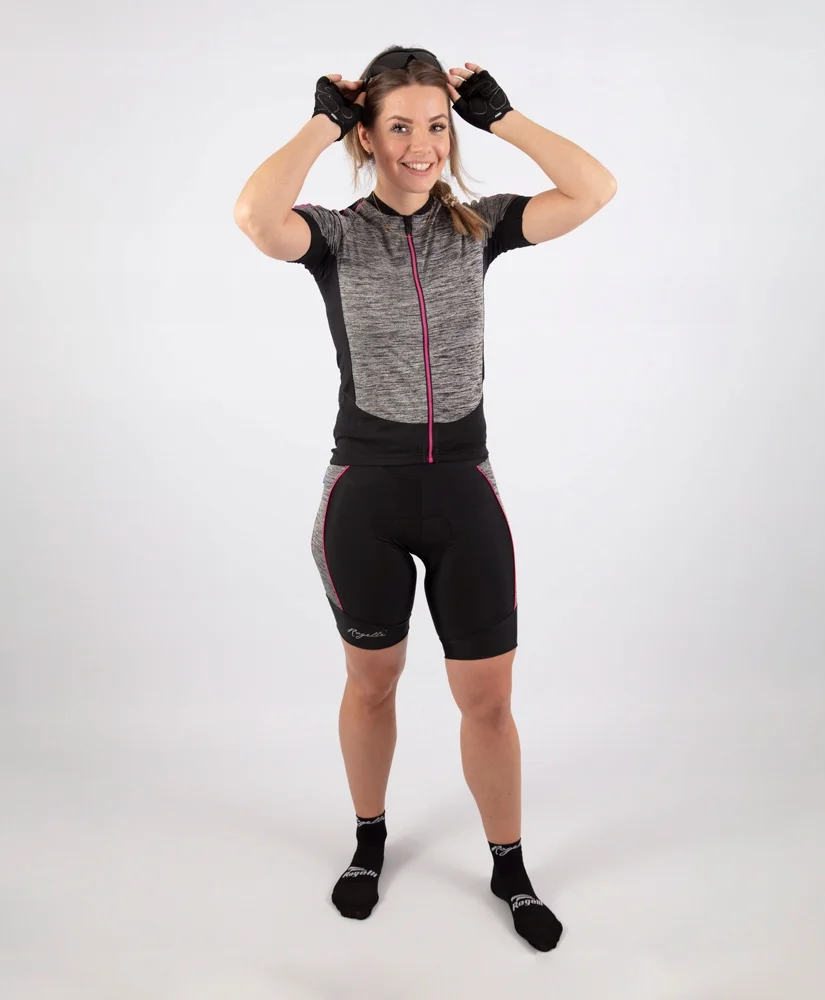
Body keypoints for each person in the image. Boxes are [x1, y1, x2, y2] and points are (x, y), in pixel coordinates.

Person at [234, 45, 616, 953]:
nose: (421, 145)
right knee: (372, 687)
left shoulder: (479, 227)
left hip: (462, 494)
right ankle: (368, 841)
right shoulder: (334, 236)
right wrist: (320, 122)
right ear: (366, 137)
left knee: (488, 700)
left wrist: (500, 116)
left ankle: (509, 867)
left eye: (435, 126)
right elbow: (255, 217)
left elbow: (593, 189)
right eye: (398, 126)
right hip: (363, 498)